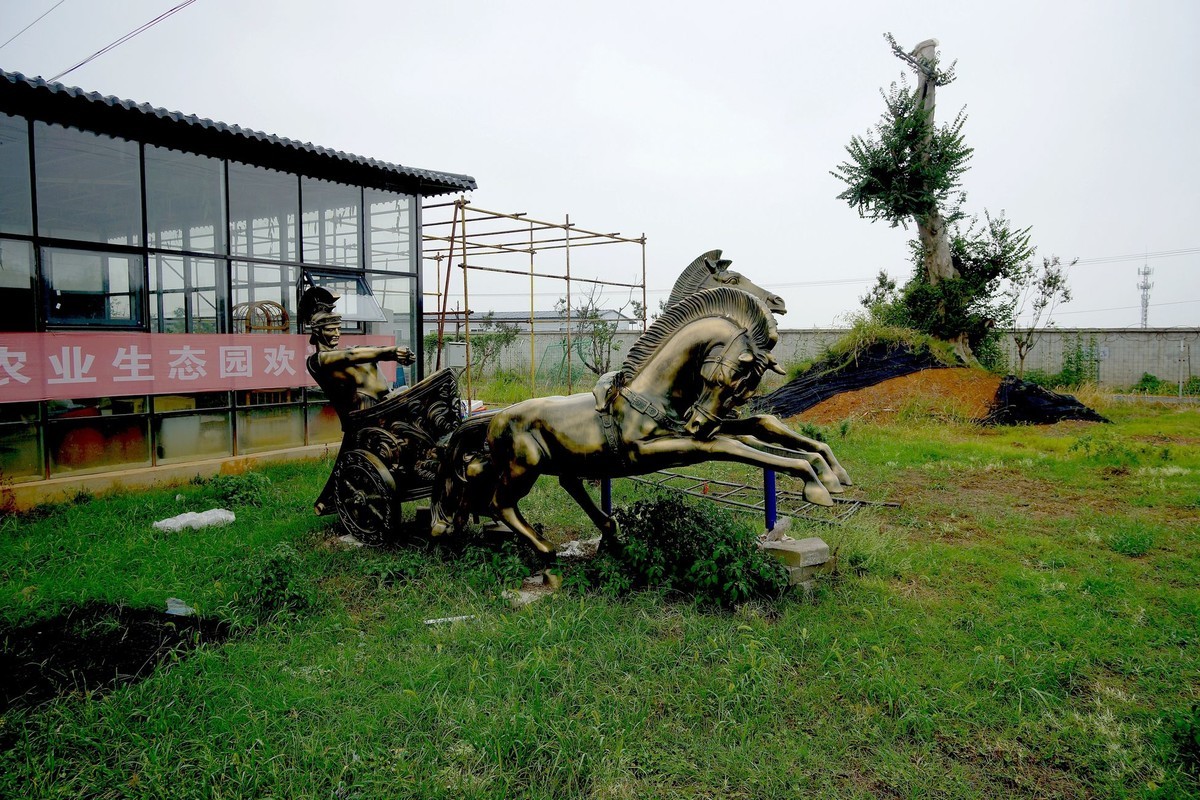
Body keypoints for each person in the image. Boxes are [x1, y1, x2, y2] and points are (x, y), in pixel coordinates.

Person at [301, 287, 416, 422]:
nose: (337, 334)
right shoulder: (318, 359)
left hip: (383, 403)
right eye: (331, 330)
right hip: (364, 411)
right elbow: (351, 355)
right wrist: (392, 352)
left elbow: (359, 353)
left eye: (339, 329)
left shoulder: (341, 354)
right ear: (317, 332)